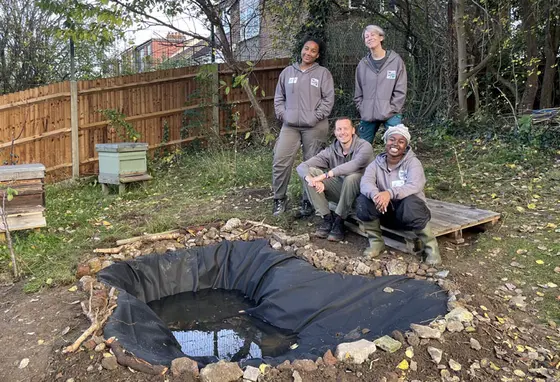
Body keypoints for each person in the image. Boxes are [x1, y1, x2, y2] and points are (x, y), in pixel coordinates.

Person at [356, 124, 441, 265]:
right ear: (386, 142)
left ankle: (431, 248)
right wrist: (377, 195)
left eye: (401, 141)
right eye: (391, 139)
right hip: (385, 214)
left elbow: (415, 185)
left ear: (406, 145)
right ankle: (376, 242)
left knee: (411, 203)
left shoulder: (413, 163)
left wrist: (389, 193)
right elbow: (366, 183)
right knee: (363, 200)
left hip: (408, 216)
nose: (395, 144)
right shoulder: (375, 164)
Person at [272, 37, 335, 217]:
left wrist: (314, 117)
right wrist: (284, 115)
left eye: (313, 51)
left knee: (312, 163)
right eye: (306, 49)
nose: (308, 53)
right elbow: (279, 98)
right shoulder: (287, 72)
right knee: (280, 160)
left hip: (315, 126)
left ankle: (308, 201)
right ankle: (279, 199)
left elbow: (328, 100)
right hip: (290, 125)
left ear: (318, 55)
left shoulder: (323, 73)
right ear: (302, 49)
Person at [296, 117, 373, 241]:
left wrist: (326, 175)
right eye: (339, 129)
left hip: (362, 196)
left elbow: (354, 165)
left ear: (353, 130)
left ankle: (339, 220)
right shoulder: (331, 150)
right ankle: (327, 218)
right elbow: (302, 166)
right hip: (342, 192)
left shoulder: (364, 146)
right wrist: (311, 180)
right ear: (335, 133)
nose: (342, 132)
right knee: (310, 172)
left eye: (346, 129)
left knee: (351, 178)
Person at [354, 25, 407, 144]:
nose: (369, 38)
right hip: (368, 113)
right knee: (361, 150)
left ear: (381, 37)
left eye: (373, 35)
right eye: (366, 36)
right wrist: (362, 108)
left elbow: (401, 88)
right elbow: (358, 91)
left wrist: (393, 108)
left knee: (397, 146)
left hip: (391, 113)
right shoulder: (363, 64)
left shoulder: (395, 61)